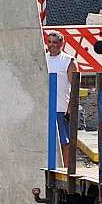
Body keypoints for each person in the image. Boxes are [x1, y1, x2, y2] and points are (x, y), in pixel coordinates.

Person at [45, 31, 77, 167]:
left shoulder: (68, 61)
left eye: (55, 42)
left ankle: (66, 169)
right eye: (49, 42)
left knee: (65, 142)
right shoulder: (42, 58)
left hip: (61, 108)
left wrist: (70, 108)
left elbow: (75, 86)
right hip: (46, 108)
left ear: (61, 44)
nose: (52, 45)